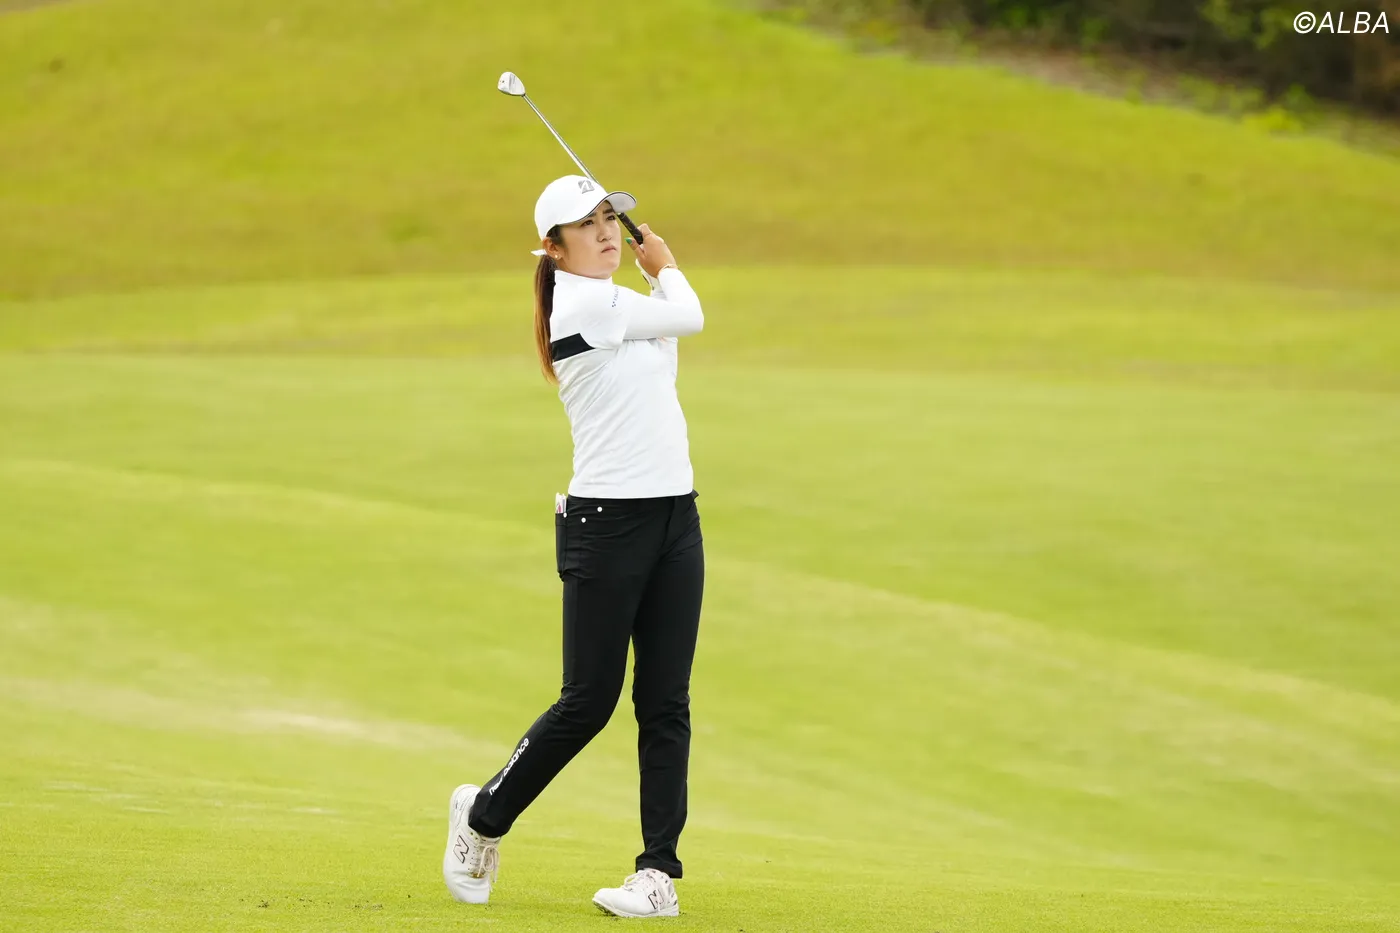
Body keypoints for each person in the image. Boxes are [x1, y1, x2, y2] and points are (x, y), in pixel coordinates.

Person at [442, 174, 707, 919]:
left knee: (666, 702)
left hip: (675, 517)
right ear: (553, 248)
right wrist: (665, 265)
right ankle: (482, 817)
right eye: (585, 225)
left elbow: (668, 335)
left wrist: (650, 276)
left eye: (608, 218)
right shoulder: (586, 303)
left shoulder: (621, 302)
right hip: (606, 524)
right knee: (588, 701)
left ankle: (656, 874)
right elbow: (691, 314)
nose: (605, 232)